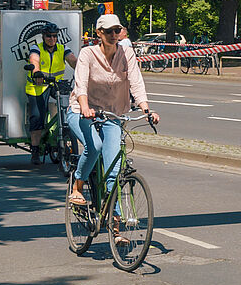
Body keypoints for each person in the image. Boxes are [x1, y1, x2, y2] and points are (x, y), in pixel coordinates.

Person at [66, 14, 159, 211]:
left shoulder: (127, 53)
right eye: (109, 31)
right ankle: (77, 187)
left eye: (117, 30)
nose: (114, 35)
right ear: (99, 33)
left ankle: (114, 223)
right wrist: (84, 107)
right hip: (82, 112)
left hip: (111, 114)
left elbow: (136, 83)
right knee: (95, 147)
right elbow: (80, 83)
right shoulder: (88, 53)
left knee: (114, 170)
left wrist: (147, 109)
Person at [26, 23, 79, 165]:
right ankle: (35, 150)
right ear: (43, 36)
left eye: (55, 36)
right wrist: (36, 71)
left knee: (68, 108)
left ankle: (61, 134)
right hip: (38, 86)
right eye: (49, 36)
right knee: (37, 117)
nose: (52, 39)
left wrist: (83, 69)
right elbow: (34, 60)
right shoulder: (36, 48)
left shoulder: (62, 48)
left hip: (56, 84)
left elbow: (73, 60)